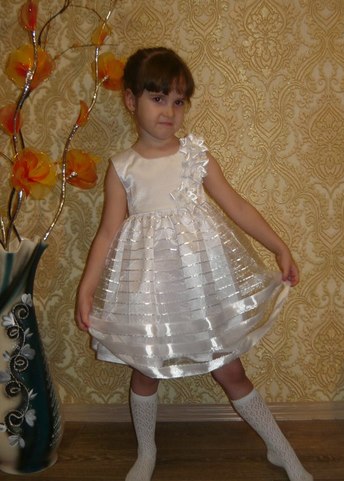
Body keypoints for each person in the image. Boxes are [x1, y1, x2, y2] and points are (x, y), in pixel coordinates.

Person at [75, 47, 312, 481]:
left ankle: (282, 450)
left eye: (179, 101)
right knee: (145, 372)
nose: (169, 111)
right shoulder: (122, 168)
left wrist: (279, 246)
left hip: (202, 291)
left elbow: (237, 206)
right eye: (158, 98)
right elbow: (107, 233)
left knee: (231, 369)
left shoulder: (195, 155)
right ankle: (146, 452)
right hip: (150, 292)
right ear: (130, 100)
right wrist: (86, 289)